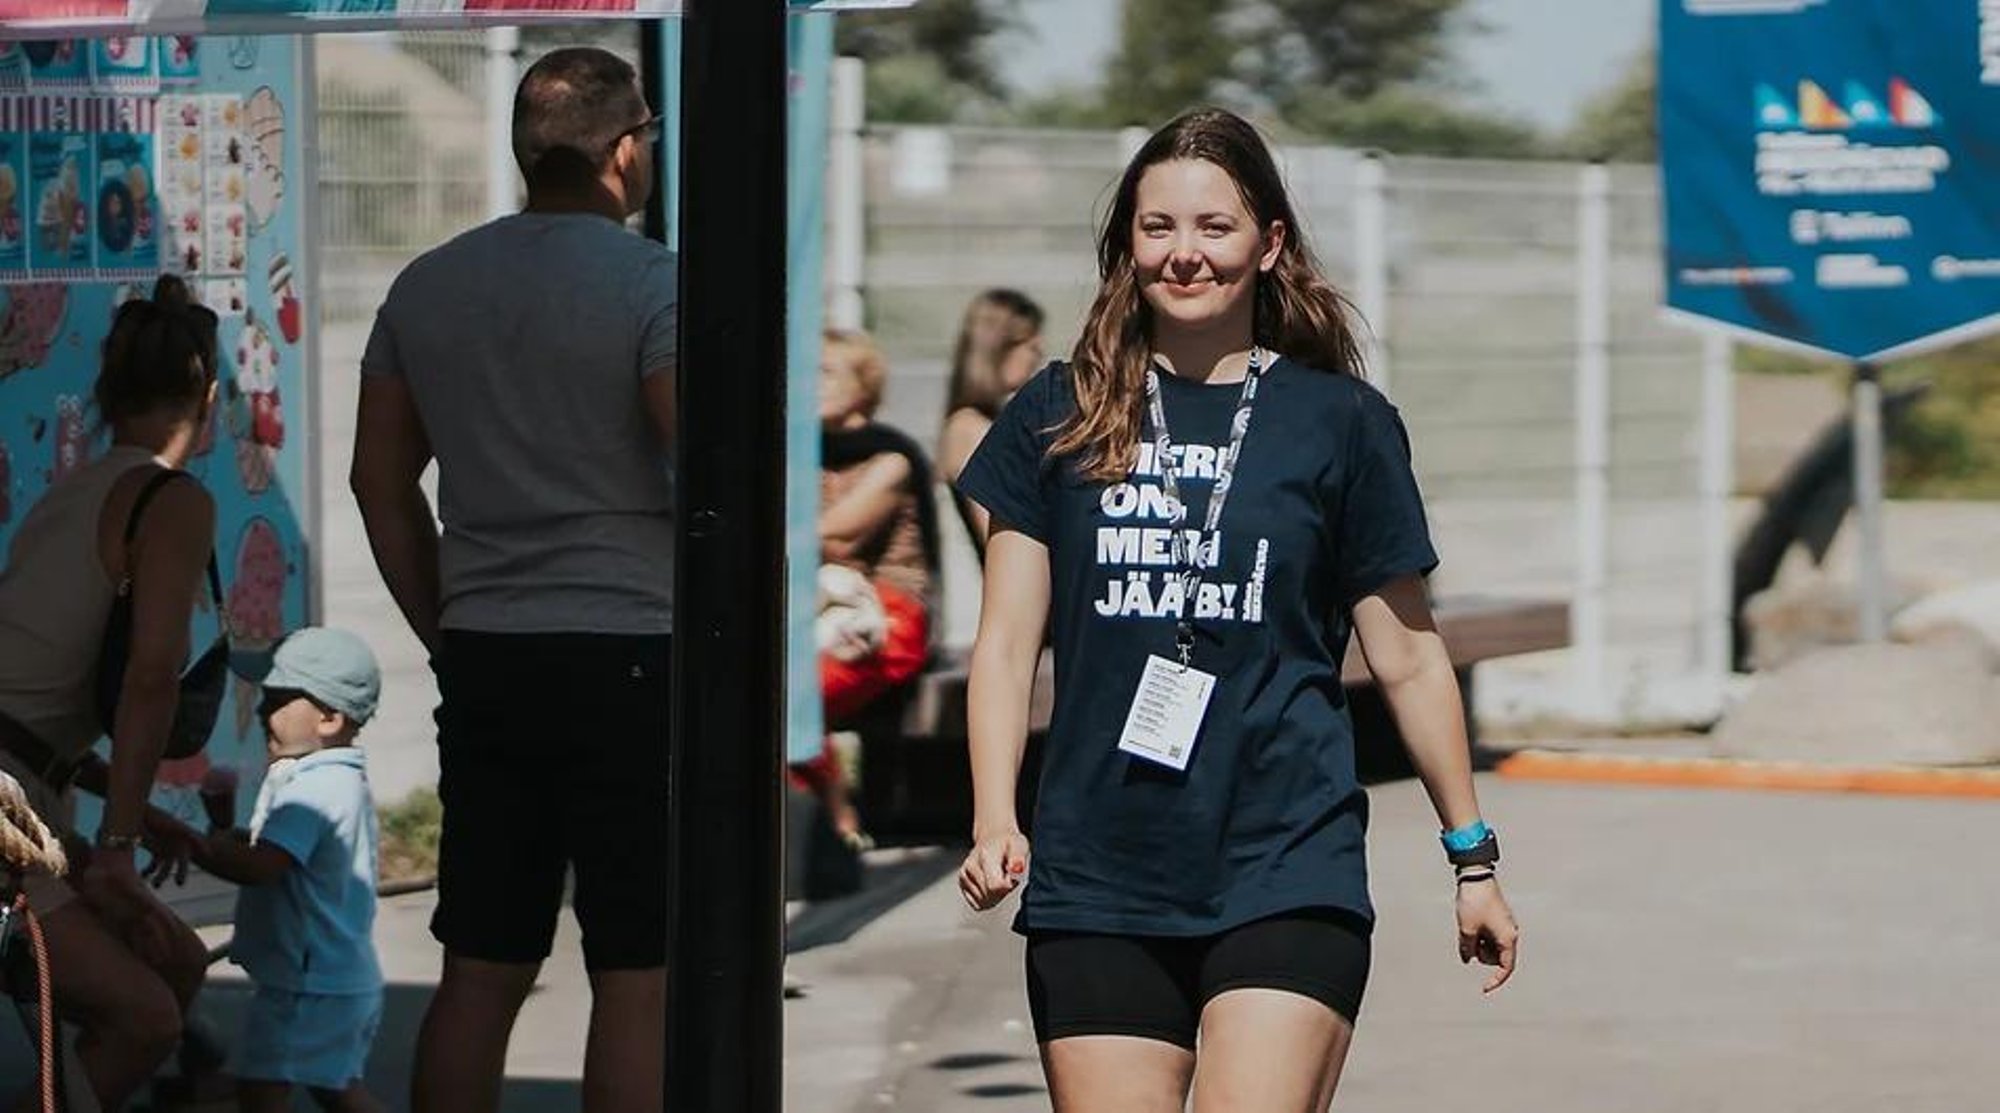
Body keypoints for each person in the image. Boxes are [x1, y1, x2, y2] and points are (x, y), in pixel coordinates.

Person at [952, 108, 1522, 1112]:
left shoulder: (1339, 423)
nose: (1184, 255)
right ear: (1126, 245)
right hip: (1098, 871)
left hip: (1284, 859)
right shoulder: (1057, 411)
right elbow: (1004, 647)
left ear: (1268, 244)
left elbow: (1407, 659)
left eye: (1213, 228)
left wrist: (1469, 857)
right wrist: (994, 815)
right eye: (1156, 227)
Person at [350, 46, 675, 1113]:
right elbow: (701, 468)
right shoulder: (654, 286)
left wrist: (447, 623)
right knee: (636, 968)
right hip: (631, 649)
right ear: (625, 150)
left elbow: (378, 480)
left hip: (489, 652)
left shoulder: (429, 284)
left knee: (482, 963)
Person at [0, 275, 223, 1111]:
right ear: (209, 393)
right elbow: (150, 675)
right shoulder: (172, 500)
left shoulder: (75, 490)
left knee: (179, 965)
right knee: (146, 1016)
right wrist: (121, 848)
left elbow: (31, 694)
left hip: (29, 789)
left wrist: (124, 810)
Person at [194, 627, 385, 1113]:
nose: (261, 712)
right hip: (336, 980)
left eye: (277, 700)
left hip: (308, 986)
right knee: (335, 1088)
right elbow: (287, 858)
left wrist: (197, 845)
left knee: (262, 1090)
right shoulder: (335, 778)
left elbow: (264, 868)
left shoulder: (312, 791)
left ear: (329, 718)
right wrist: (230, 838)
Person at [800, 328, 939, 846]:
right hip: (823, 608)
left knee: (795, 697)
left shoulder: (892, 457)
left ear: (863, 388)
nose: (810, 384)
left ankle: (838, 816)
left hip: (890, 616)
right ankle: (826, 821)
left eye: (827, 373)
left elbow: (834, 534)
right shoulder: (805, 453)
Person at [935, 289, 1045, 554]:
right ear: (1000, 347)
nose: (1037, 358)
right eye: (1031, 347)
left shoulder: (977, 423)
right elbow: (1001, 531)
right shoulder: (970, 428)